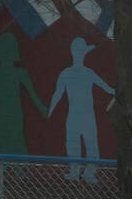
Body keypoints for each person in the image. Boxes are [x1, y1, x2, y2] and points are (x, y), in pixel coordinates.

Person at [48, 37, 114, 182]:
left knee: (88, 146)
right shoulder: (69, 73)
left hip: (85, 116)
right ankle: (75, 173)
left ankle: (88, 174)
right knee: (74, 146)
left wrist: (115, 91)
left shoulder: (85, 73)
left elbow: (106, 87)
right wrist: (49, 111)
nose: (79, 53)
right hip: (76, 116)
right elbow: (57, 95)